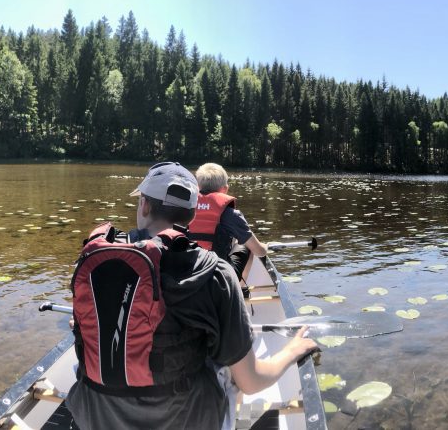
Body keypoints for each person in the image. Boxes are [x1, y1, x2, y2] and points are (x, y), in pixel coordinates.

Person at [66, 162, 317, 430]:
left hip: (94, 419)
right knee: (232, 371)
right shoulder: (217, 272)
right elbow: (252, 383)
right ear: (191, 215)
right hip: (187, 419)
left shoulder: (100, 262)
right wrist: (291, 351)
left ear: (144, 205)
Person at [189, 163, 271, 281]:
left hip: (188, 272)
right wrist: (265, 247)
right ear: (225, 189)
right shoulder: (231, 214)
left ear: (197, 187)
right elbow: (259, 252)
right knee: (246, 245)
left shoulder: (186, 209)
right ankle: (241, 290)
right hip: (218, 277)